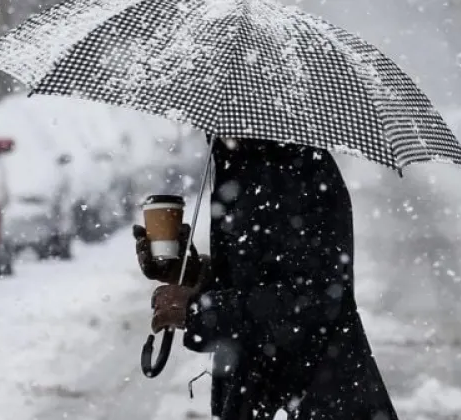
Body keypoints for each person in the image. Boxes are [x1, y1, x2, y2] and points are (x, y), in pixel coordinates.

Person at [133, 137, 400, 420]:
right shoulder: (239, 162)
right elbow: (256, 275)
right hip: (259, 391)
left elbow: (315, 298)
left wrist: (202, 311)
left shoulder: (299, 171)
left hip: (316, 394)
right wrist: (192, 273)